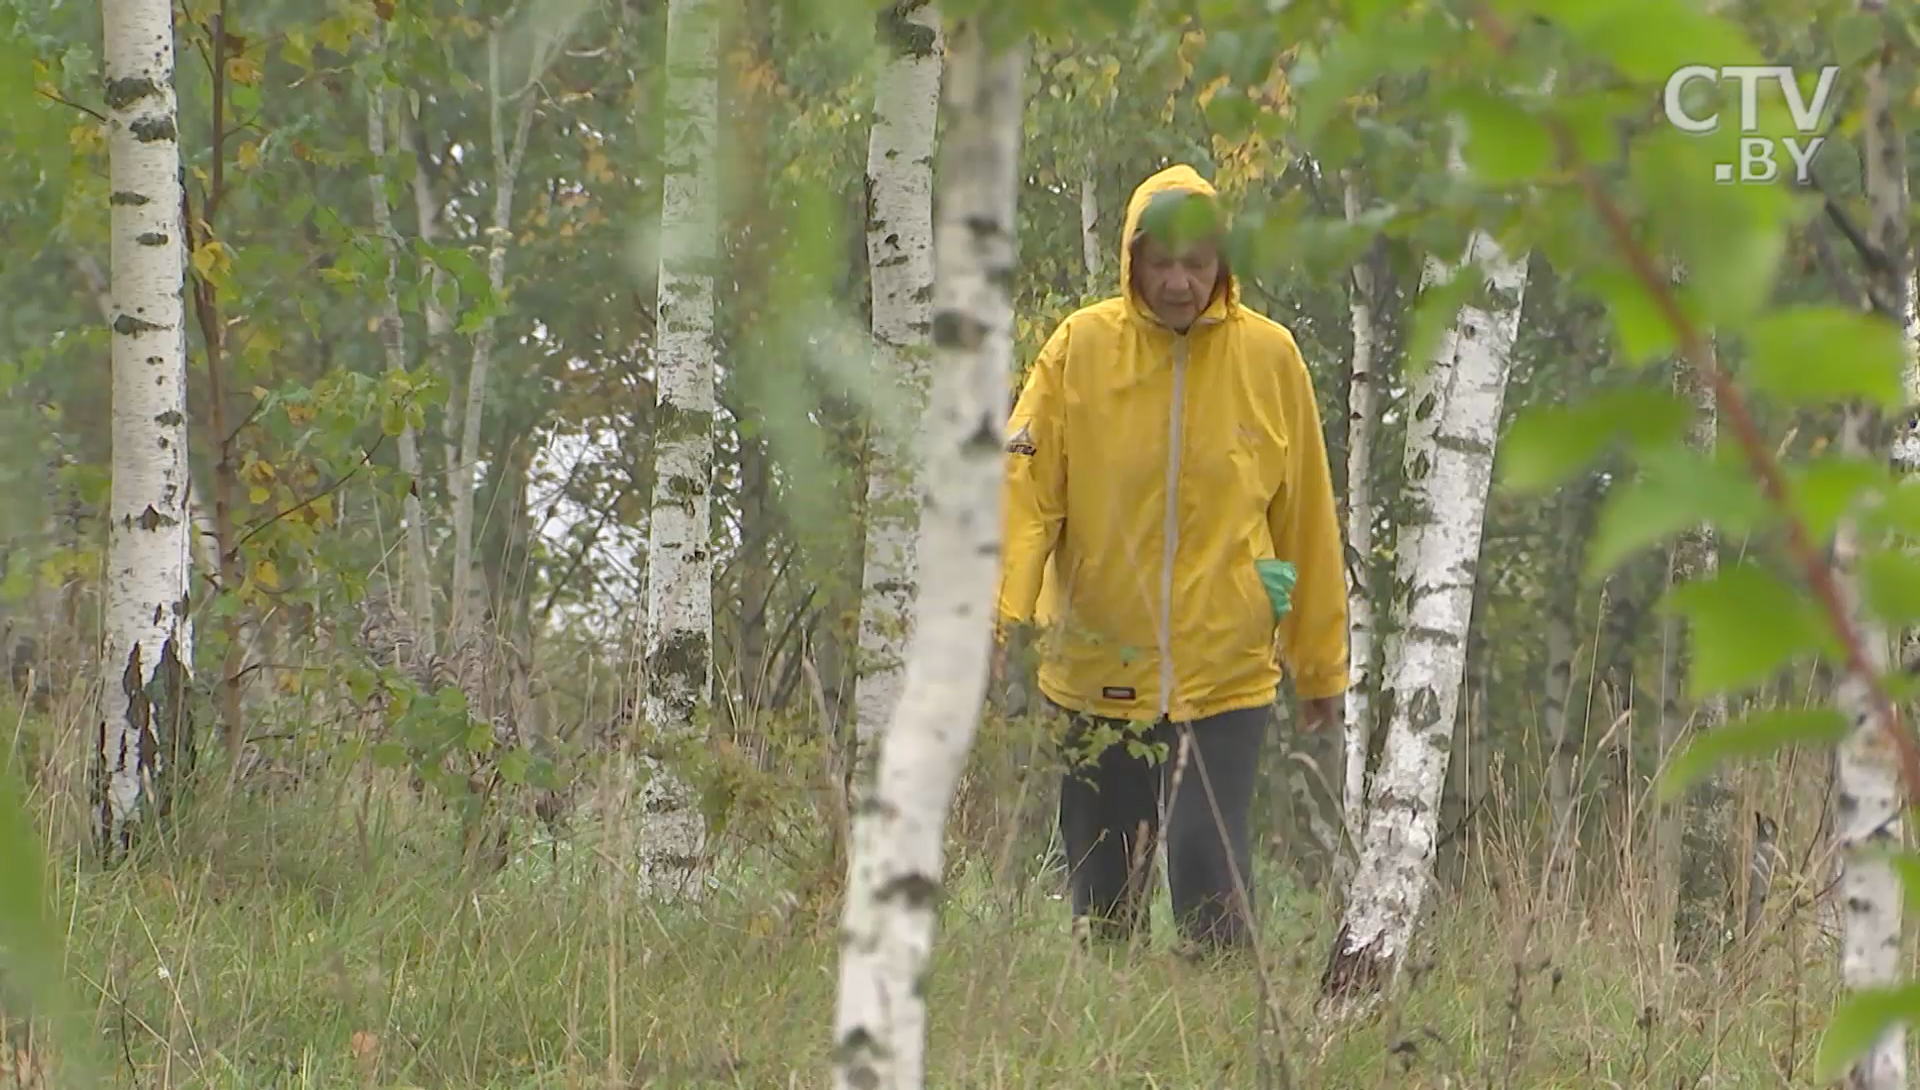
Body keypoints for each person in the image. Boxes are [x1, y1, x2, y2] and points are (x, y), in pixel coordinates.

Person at [992, 163, 1350, 959]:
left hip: (1224, 672)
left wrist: (1320, 665)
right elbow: (1027, 492)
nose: (1181, 282)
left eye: (1198, 263)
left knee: (1209, 879)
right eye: (1163, 263)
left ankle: (1219, 1045)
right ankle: (1107, 1053)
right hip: (1096, 666)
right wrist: (998, 614)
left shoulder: (1271, 359)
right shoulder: (1079, 350)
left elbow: (1307, 525)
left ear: (1223, 264)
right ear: (1134, 260)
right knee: (1101, 897)